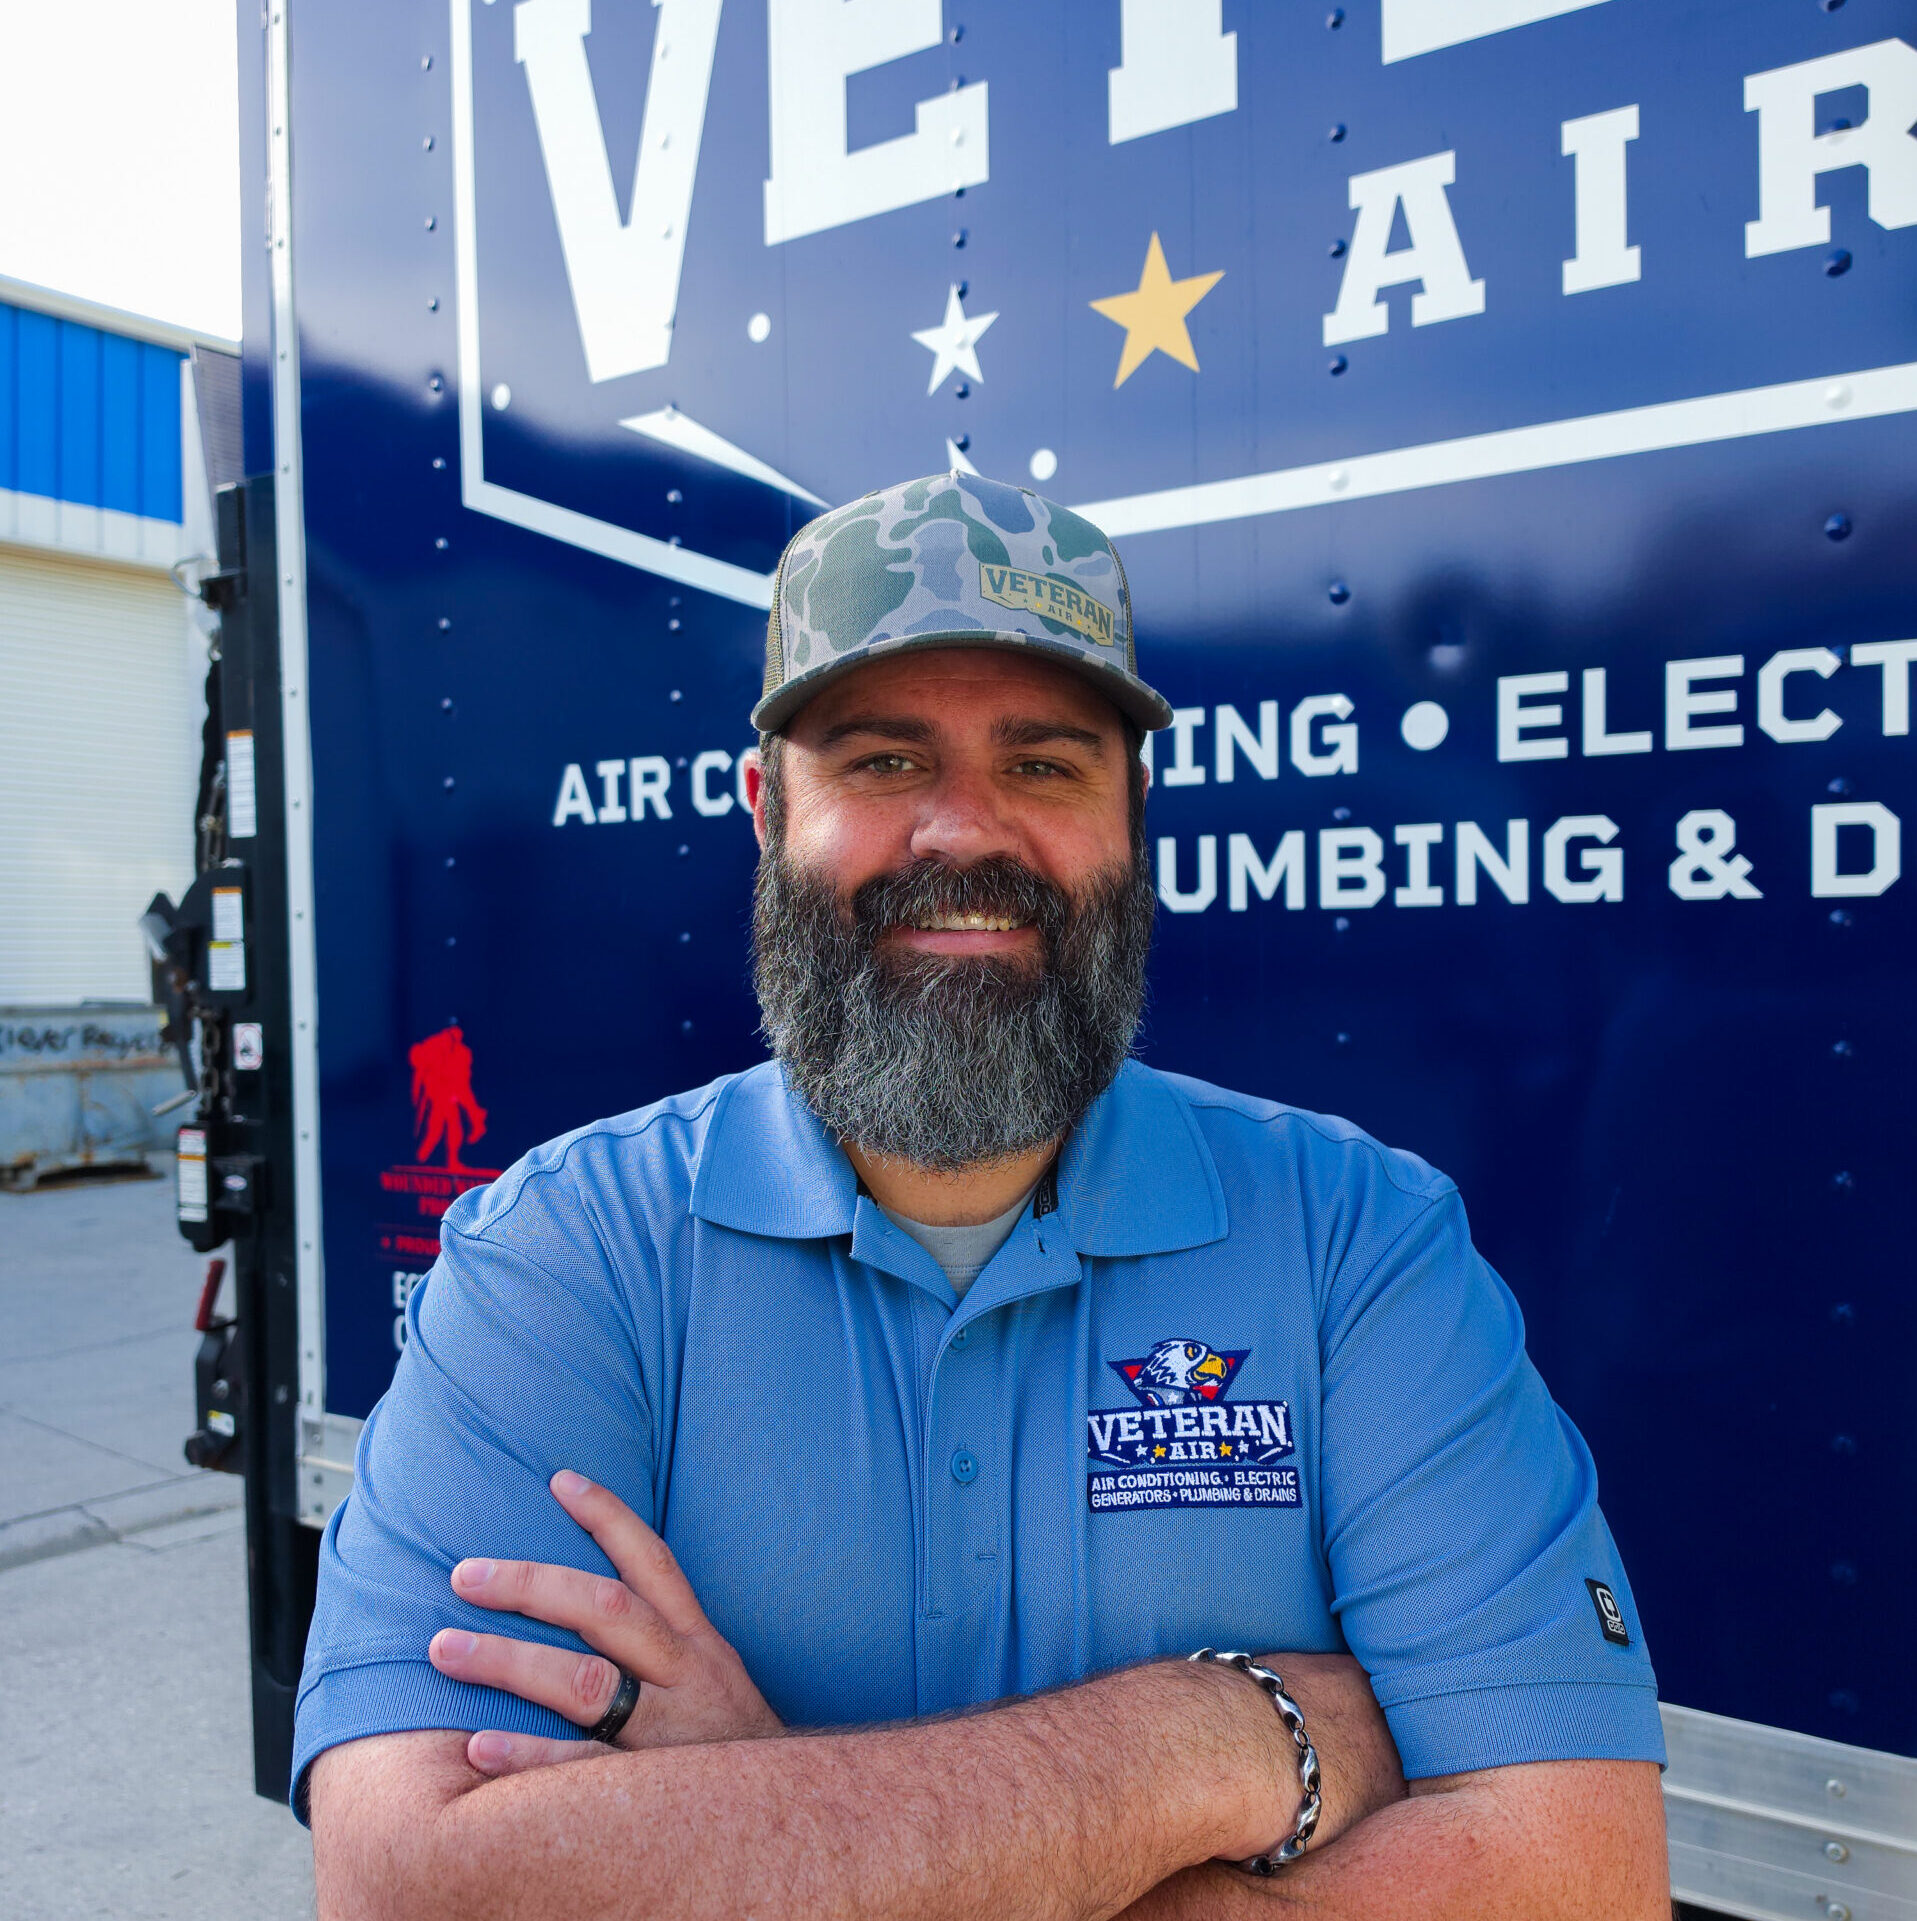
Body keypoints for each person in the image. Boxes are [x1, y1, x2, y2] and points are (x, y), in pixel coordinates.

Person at [300, 474, 1670, 1919]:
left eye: (1045, 764)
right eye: (885, 760)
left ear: (1131, 814)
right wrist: (1210, 1740)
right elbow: (411, 1887)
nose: (963, 831)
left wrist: (764, 1817)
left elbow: (1579, 1881)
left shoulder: (1358, 1242)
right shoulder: (563, 1252)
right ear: (767, 812)